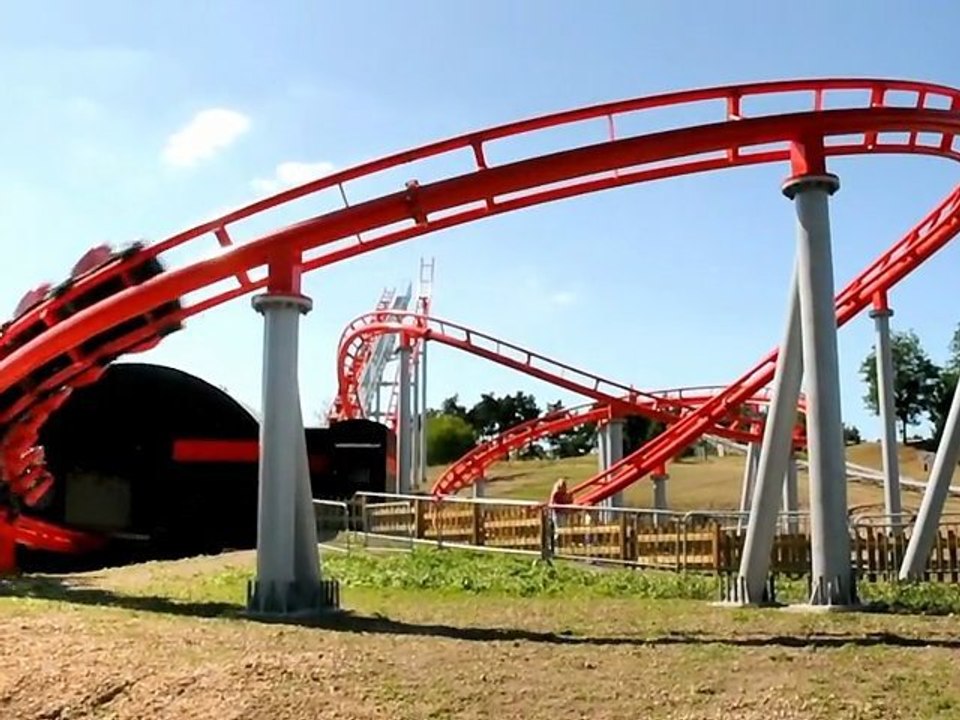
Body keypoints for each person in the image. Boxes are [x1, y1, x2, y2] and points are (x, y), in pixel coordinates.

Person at [547, 477, 573, 552]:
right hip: (557, 514)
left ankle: (560, 548)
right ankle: (554, 548)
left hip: (562, 513)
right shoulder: (556, 494)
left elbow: (569, 502)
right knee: (558, 531)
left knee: (562, 530)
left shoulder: (565, 493)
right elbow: (554, 503)